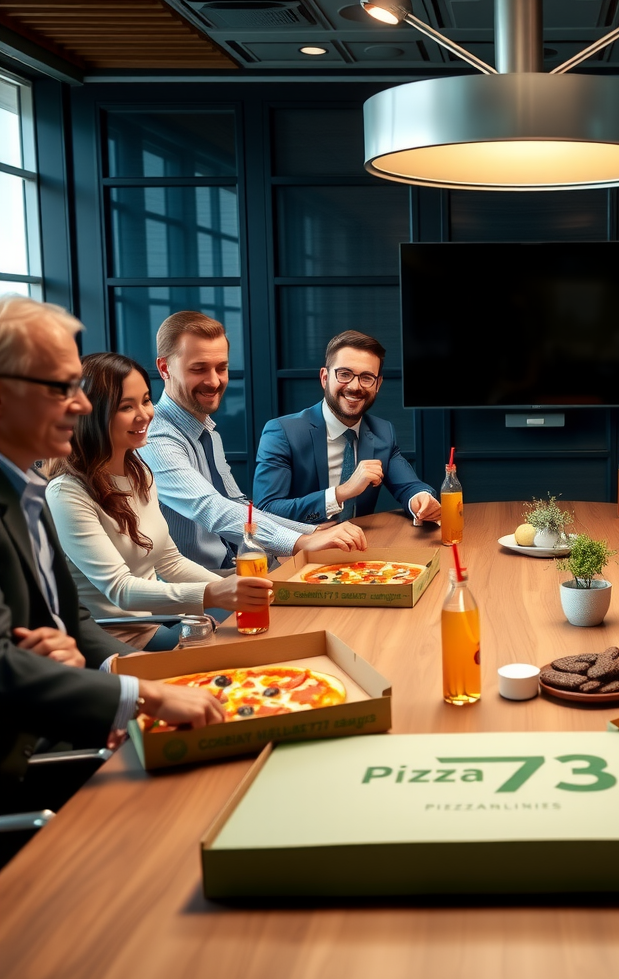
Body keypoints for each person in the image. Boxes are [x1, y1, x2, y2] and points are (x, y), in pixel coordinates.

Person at [0, 296, 223, 807]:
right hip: (26, 759)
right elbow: (10, 667)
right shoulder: (60, 490)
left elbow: (72, 622)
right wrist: (137, 693)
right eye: (60, 388)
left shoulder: (27, 492)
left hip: (70, 704)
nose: (79, 406)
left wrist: (90, 668)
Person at [46, 353, 274, 650]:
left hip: (157, 623)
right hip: (113, 640)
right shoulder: (66, 493)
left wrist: (234, 590)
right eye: (126, 407)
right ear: (91, 414)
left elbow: (170, 562)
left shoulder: (140, 473)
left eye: (145, 400)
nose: (144, 414)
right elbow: (120, 590)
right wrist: (214, 594)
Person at [138, 311, 368, 572]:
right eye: (198, 369)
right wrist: (301, 541)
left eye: (221, 368)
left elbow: (237, 506)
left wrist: (311, 531)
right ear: (164, 368)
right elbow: (210, 507)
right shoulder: (155, 436)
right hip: (203, 585)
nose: (214, 381)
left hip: (243, 567)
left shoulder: (207, 431)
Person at [253, 330, 440, 525]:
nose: (355, 386)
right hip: (302, 543)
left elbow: (409, 487)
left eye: (366, 377)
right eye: (344, 374)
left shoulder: (383, 432)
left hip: (359, 542)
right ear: (325, 378)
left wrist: (420, 499)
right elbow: (266, 510)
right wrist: (343, 492)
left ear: (378, 384)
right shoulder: (282, 432)